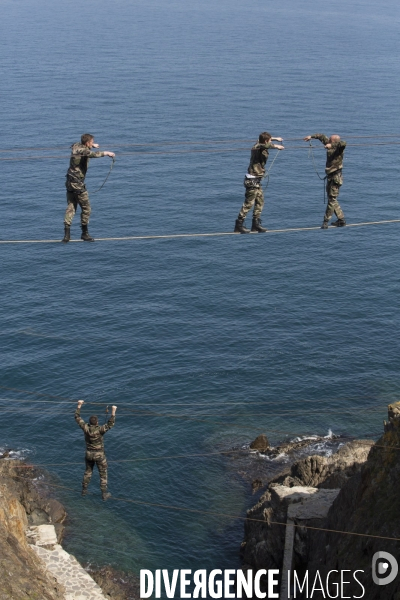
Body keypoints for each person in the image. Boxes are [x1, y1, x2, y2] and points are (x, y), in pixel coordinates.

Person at [62, 134, 115, 243]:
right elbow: (92, 154)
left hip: (69, 183)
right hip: (78, 185)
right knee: (86, 209)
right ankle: (84, 234)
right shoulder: (84, 152)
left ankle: (67, 235)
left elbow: (82, 147)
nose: (93, 143)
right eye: (92, 142)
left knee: (71, 207)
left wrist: (92, 145)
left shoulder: (76, 146)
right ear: (87, 143)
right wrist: (106, 153)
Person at [234, 132, 284, 234]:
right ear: (266, 141)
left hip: (256, 180)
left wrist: (275, 139)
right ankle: (239, 225)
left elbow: (262, 141)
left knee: (260, 201)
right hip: (252, 180)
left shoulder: (260, 143)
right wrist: (276, 146)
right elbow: (262, 144)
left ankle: (255, 224)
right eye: (269, 140)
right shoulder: (257, 147)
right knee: (249, 204)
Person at [75, 400, 117, 500]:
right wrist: (113, 411)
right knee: (103, 474)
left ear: (89, 422)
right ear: (97, 422)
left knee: (88, 472)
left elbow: (77, 417)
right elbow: (110, 424)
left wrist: (79, 405)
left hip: (89, 454)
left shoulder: (85, 427)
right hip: (99, 455)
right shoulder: (100, 429)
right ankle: (104, 494)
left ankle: (84, 490)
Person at [303, 133, 346, 228]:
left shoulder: (339, 148)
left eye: (330, 141)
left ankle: (325, 221)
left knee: (332, 200)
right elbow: (321, 136)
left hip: (336, 177)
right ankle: (341, 220)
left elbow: (343, 143)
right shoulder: (329, 142)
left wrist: (332, 145)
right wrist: (311, 136)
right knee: (332, 199)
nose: (328, 142)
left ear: (334, 142)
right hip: (330, 176)